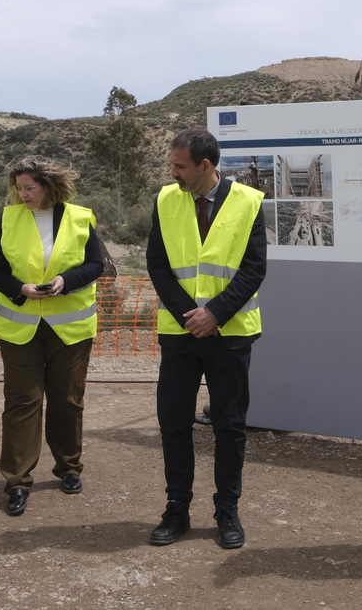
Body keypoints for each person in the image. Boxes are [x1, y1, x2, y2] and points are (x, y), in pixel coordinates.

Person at [145, 128, 266, 550]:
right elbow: (157, 264)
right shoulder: (165, 199)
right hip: (180, 335)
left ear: (205, 165)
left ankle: (226, 510)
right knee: (174, 422)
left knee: (229, 426)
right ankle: (176, 509)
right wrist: (190, 316)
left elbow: (254, 268)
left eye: (179, 166)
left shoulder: (249, 201)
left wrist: (215, 313)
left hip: (230, 335)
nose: (173, 173)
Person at [0, 155, 106, 516]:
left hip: (70, 328)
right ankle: (17, 482)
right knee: (22, 402)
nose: (22, 194)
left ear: (49, 186)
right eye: (18, 188)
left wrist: (65, 281)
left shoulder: (80, 218)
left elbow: (96, 265)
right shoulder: (9, 218)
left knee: (67, 399)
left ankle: (69, 468)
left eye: (29, 188)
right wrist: (20, 289)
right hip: (19, 327)